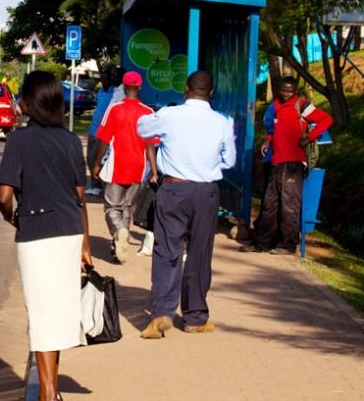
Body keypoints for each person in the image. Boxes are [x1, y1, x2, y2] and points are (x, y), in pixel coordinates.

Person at [0, 70, 92, 401]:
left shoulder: (18, 140)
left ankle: (48, 393)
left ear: (27, 103)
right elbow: (80, 197)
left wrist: (12, 218)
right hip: (69, 232)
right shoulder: (69, 141)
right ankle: (50, 391)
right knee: (58, 309)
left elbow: (4, 196)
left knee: (39, 310)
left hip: (35, 233)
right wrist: (87, 244)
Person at [136, 70, 236, 338]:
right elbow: (230, 161)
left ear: (185, 89)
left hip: (173, 188)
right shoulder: (222, 122)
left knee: (166, 250)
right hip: (206, 193)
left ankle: (160, 315)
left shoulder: (170, 115)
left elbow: (142, 128)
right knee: (200, 254)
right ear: (211, 93)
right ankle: (195, 318)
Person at [239, 76, 333, 255]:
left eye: (290, 91)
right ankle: (262, 243)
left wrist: (309, 137)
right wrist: (267, 141)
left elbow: (326, 120)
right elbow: (273, 130)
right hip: (276, 162)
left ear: (295, 90)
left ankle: (288, 245)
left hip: (294, 163)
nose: (286, 94)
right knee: (269, 204)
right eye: (284, 90)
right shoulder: (275, 107)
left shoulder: (302, 106)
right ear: (279, 89)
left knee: (289, 205)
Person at [92, 70, 158, 264]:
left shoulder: (115, 109)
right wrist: (153, 171)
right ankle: (120, 245)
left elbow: (104, 140)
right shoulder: (148, 113)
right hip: (138, 168)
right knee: (128, 207)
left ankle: (118, 231)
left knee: (112, 206)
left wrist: (96, 164)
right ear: (139, 87)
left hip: (116, 166)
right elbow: (150, 145)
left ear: (125, 85)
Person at [85, 68, 115, 196]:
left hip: (102, 132)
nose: (102, 81)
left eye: (104, 78)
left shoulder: (114, 92)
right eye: (101, 79)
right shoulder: (101, 91)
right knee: (89, 159)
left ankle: (98, 185)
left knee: (95, 158)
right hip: (93, 129)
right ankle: (94, 185)